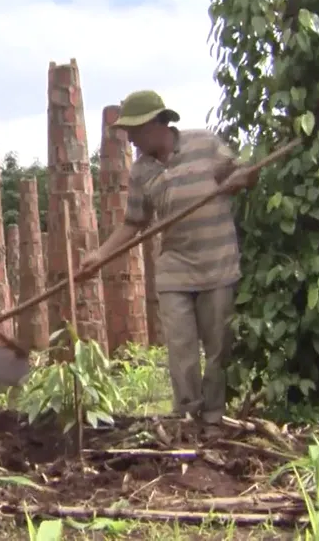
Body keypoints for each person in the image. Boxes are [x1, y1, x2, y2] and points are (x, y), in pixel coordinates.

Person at [78, 90, 256, 425]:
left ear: (157, 124)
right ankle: (187, 416)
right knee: (181, 349)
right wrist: (100, 255)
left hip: (218, 264)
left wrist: (239, 178)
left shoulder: (205, 144)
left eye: (134, 132)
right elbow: (133, 223)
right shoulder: (142, 171)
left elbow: (246, 174)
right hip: (175, 268)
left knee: (218, 348)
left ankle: (214, 418)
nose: (130, 141)